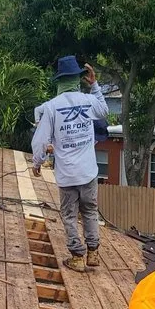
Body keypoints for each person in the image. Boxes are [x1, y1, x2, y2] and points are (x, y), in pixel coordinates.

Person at [32, 55, 109, 272]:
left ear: (59, 81)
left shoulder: (51, 107)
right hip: (89, 172)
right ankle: (93, 253)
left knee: (68, 215)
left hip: (66, 175)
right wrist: (94, 85)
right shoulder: (87, 101)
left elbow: (40, 140)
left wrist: (38, 162)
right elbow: (104, 110)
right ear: (77, 78)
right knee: (90, 211)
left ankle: (77, 257)